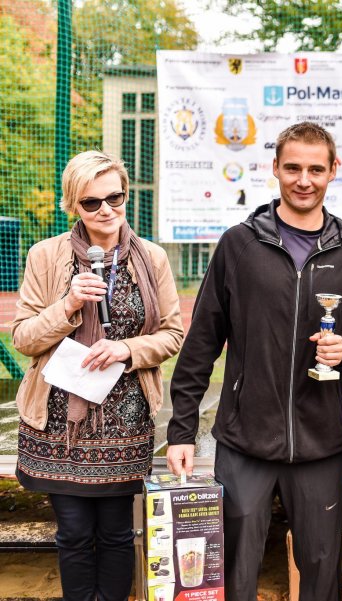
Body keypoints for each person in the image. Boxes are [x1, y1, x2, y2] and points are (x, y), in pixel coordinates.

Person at [166, 122, 342, 601]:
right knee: (237, 570)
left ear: (333, 172)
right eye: (293, 168)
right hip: (246, 441)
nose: (303, 179)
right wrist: (181, 429)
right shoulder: (239, 245)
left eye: (315, 169)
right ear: (275, 169)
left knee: (322, 572)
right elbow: (202, 341)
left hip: (320, 443)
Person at [13, 150, 184, 601]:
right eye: (93, 202)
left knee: (115, 533)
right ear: (74, 205)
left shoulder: (153, 258)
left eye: (116, 197)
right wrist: (67, 306)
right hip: (57, 426)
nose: (107, 210)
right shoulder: (46, 256)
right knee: (71, 533)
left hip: (125, 425)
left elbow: (172, 335)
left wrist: (126, 348)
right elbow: (24, 338)